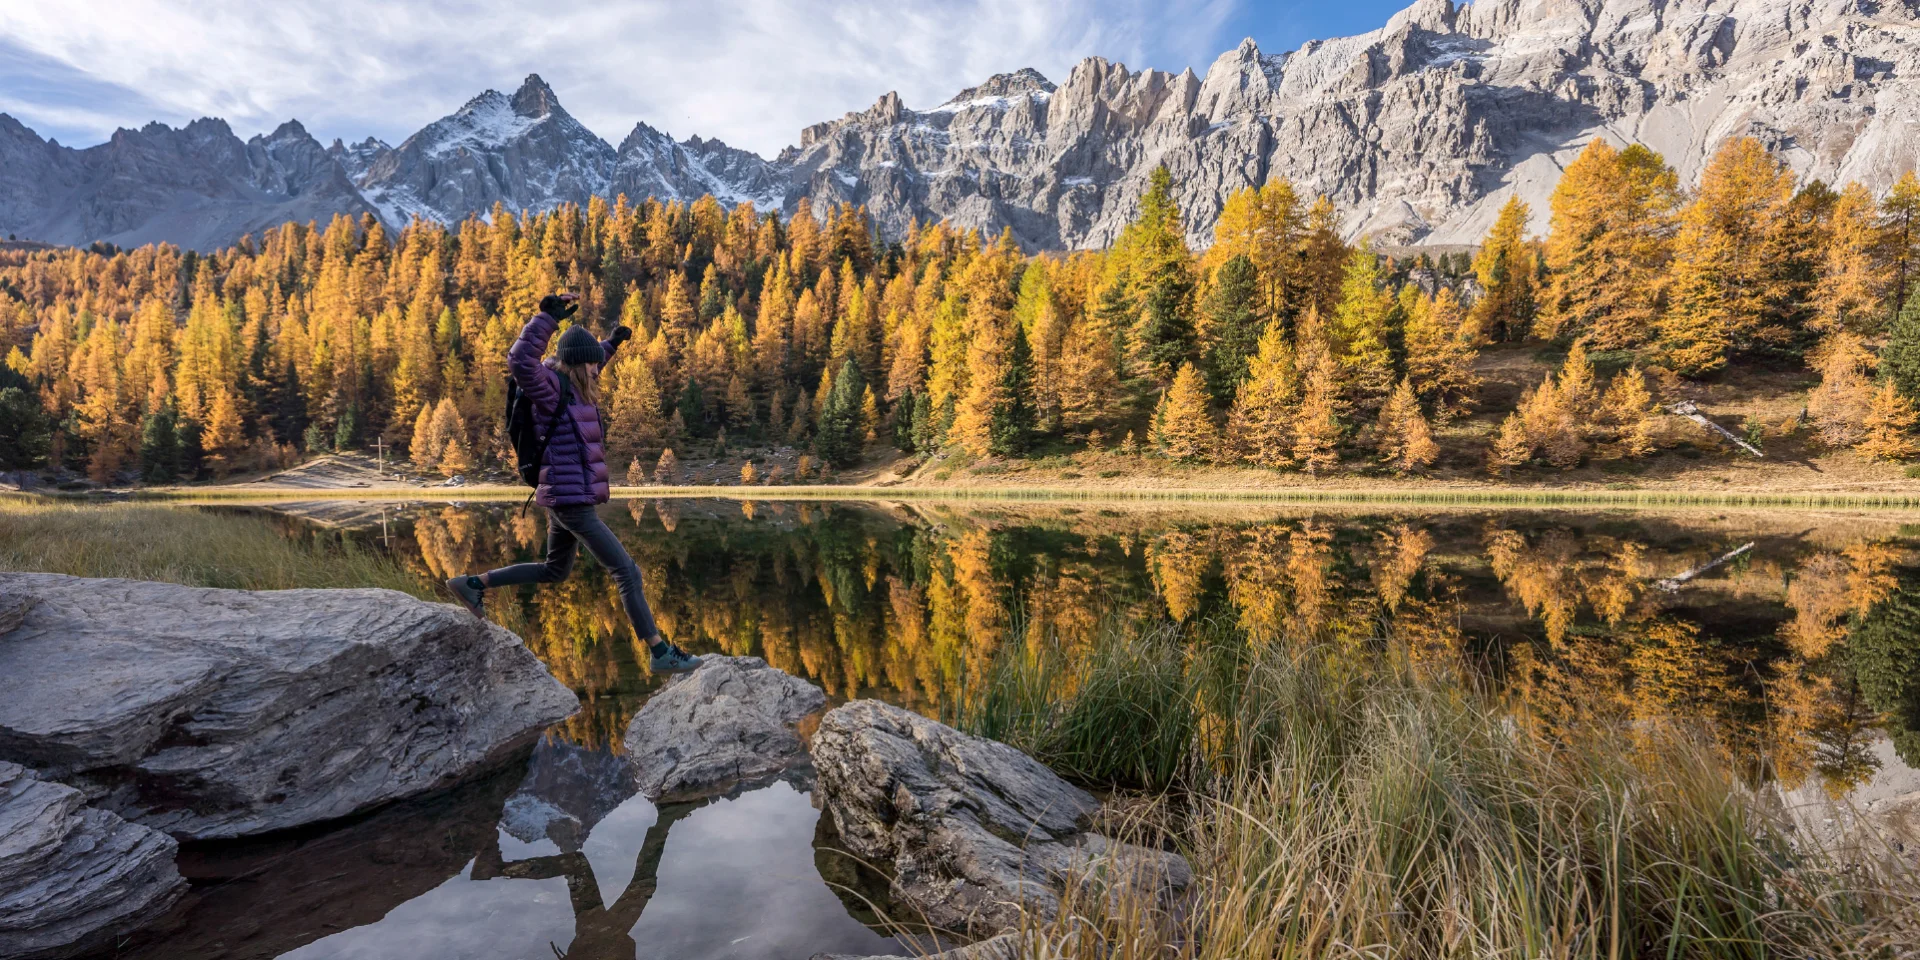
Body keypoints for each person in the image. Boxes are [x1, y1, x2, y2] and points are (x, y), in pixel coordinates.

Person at [446, 293, 700, 674]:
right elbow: (519, 360)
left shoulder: (576, 386)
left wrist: (611, 343)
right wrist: (546, 318)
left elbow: (590, 356)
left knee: (555, 571)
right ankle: (659, 651)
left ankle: (473, 584)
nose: (599, 370)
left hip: (563, 497)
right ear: (578, 366)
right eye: (594, 365)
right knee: (628, 573)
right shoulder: (550, 389)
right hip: (570, 502)